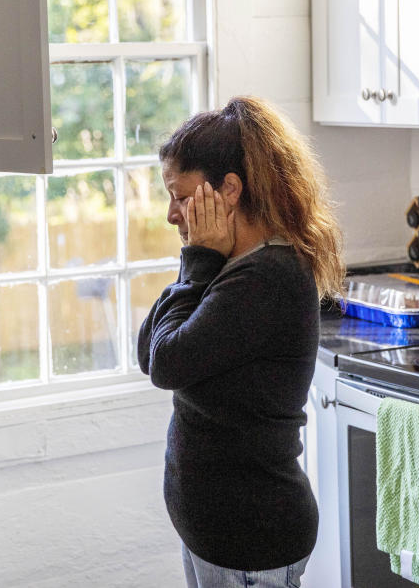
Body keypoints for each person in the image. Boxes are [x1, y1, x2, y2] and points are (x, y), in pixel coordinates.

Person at [138, 96, 344, 587]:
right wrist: (197, 261)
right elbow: (149, 348)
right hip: (224, 539)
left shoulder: (265, 278)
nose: (171, 214)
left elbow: (167, 362)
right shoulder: (228, 265)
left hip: (251, 539)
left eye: (181, 195)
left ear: (229, 189)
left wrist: (196, 265)